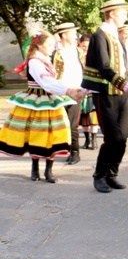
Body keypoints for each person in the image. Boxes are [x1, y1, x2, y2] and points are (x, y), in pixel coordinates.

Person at [0, 31, 83, 182]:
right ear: (39, 45)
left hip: (50, 99)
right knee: (37, 134)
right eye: (50, 44)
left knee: (52, 134)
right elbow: (46, 82)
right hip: (37, 101)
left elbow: (52, 82)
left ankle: (48, 171)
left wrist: (70, 89)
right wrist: (68, 90)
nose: (53, 47)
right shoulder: (34, 61)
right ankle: (35, 168)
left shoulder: (44, 59)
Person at [81, 0, 128, 193]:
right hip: (106, 94)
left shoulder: (116, 36)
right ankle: (99, 175)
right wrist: (126, 86)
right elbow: (104, 67)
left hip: (122, 93)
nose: (126, 15)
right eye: (123, 12)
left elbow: (125, 67)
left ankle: (112, 174)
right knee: (112, 138)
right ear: (112, 13)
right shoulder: (100, 36)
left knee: (123, 136)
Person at [52, 22, 84, 165]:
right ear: (64, 35)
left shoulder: (78, 52)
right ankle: (60, 149)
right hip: (59, 92)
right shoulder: (54, 52)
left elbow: (85, 70)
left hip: (75, 91)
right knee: (58, 124)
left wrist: (84, 89)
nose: (75, 36)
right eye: (72, 33)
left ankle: (75, 152)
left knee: (72, 125)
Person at [76, 33, 99, 150]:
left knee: (93, 116)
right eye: (83, 46)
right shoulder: (76, 57)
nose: (86, 49)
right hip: (80, 89)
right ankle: (87, 140)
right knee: (84, 117)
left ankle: (94, 140)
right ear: (79, 45)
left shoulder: (94, 57)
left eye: (88, 46)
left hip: (91, 89)